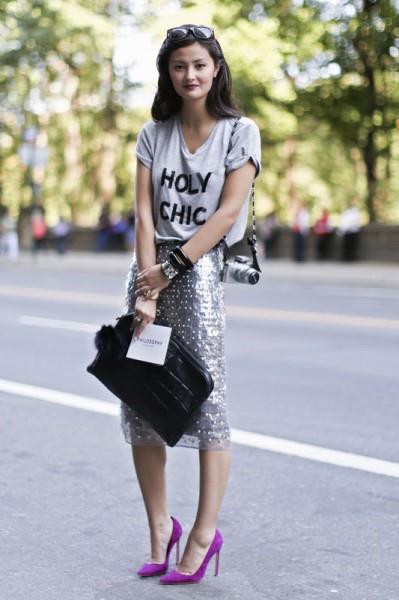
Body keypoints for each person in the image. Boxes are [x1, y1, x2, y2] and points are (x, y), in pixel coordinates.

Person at [122, 24, 261, 585]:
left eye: (200, 64)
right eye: (180, 66)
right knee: (140, 402)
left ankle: (204, 535)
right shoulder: (153, 133)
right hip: (150, 272)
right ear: (169, 74)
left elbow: (228, 213)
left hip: (197, 275)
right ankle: (161, 529)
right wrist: (145, 288)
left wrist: (169, 272)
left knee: (207, 402)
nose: (191, 75)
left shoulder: (240, 132)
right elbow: (143, 215)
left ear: (216, 68)